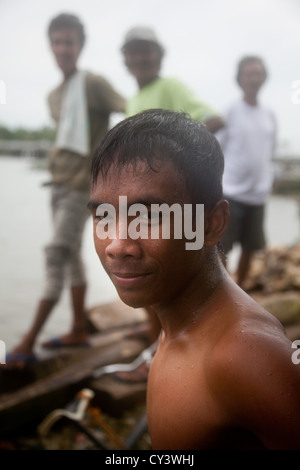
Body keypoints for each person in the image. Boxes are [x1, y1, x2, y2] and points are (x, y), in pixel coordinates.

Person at [88, 109, 300, 450]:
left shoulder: (246, 356)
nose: (116, 245)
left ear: (212, 224)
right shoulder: (180, 322)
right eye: (103, 215)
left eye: (150, 216)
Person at [6, 13, 125, 367]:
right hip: (57, 183)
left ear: (80, 45)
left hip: (80, 188)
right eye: (57, 41)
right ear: (51, 46)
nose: (63, 48)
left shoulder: (94, 84)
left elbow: (129, 111)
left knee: (56, 252)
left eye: (69, 41)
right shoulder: (54, 96)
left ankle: (26, 342)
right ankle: (77, 328)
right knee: (72, 256)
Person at [119, 25, 225, 357]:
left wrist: (169, 164)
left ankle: (187, 350)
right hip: (139, 204)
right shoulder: (133, 100)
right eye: (132, 51)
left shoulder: (171, 87)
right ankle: (160, 351)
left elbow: (213, 119)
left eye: (145, 50)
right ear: (125, 59)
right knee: (145, 275)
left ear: (158, 56)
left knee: (178, 276)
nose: (139, 58)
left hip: (167, 207)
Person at [216, 56, 277, 289]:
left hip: (258, 195)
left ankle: (240, 291)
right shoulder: (229, 111)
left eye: (258, 73)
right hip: (231, 192)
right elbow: (216, 148)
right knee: (222, 248)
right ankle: (220, 294)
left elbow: (269, 151)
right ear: (240, 79)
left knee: (251, 248)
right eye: (249, 73)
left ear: (264, 78)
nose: (254, 78)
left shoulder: (269, 114)